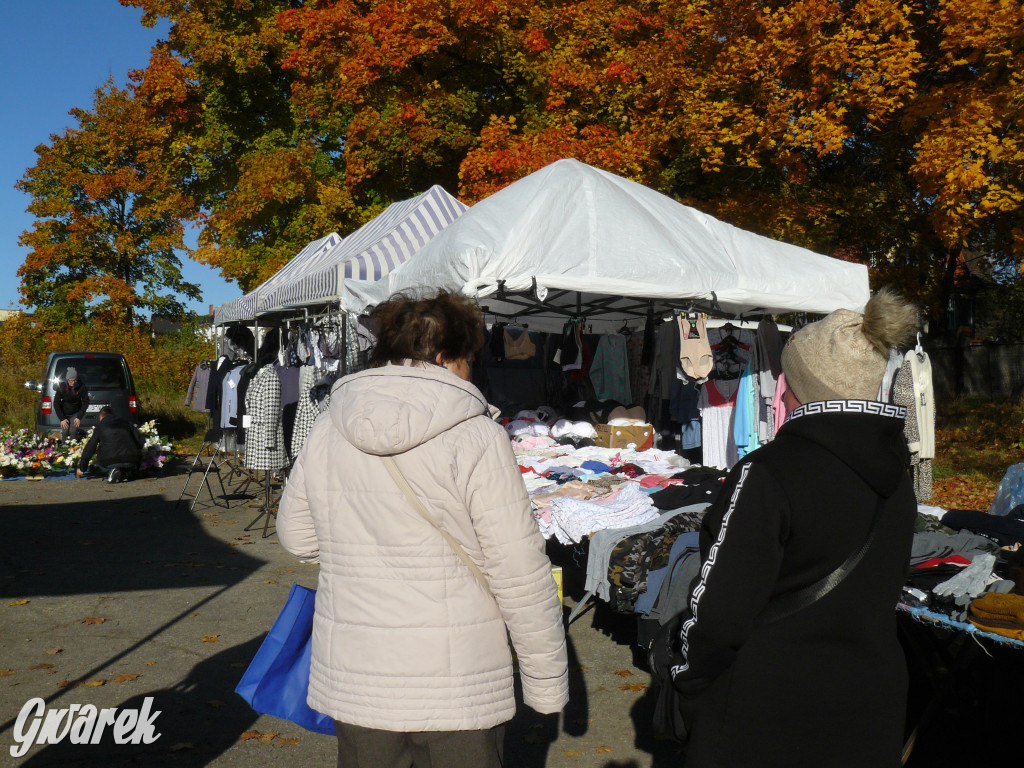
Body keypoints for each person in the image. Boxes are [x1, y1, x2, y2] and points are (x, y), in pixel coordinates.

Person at [278, 291, 569, 768]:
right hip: (458, 685)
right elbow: (519, 571)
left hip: (360, 678)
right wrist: (546, 682)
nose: (470, 369)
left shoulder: (330, 425)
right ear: (443, 356)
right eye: (467, 357)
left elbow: (297, 537)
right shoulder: (477, 435)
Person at [671, 288, 919, 767]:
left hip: (769, 710)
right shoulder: (897, 473)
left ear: (798, 385)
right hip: (869, 701)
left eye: (787, 378)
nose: (779, 388)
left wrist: (686, 678)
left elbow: (718, 613)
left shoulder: (768, 472)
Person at [75, 406, 145, 483]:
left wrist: (82, 468)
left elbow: (90, 448)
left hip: (109, 461)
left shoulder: (100, 427)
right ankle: (126, 472)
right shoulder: (127, 423)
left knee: (107, 458)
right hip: (131, 459)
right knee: (127, 463)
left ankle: (113, 470)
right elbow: (141, 441)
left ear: (101, 416)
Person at [54, 366, 89, 441]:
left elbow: (86, 402)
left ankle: (74, 448)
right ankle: (64, 448)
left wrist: (79, 417)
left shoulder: (82, 387)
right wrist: (62, 418)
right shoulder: (62, 386)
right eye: (71, 381)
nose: (73, 383)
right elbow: (56, 403)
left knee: (73, 431)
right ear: (67, 380)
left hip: (76, 412)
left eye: (74, 381)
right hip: (64, 413)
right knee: (65, 431)